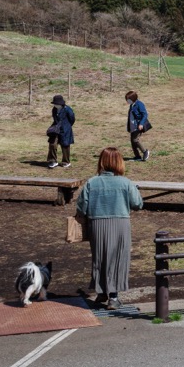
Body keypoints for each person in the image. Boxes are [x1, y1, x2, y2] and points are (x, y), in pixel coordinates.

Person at [76, 147, 143, 310]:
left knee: (99, 258)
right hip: (120, 224)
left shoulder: (92, 182)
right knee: (118, 258)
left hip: (97, 224)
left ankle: (102, 291)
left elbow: (81, 207)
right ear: (120, 162)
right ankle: (113, 297)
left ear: (102, 162)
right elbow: (137, 204)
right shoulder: (126, 182)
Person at [46, 94, 75, 168]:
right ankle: (52, 160)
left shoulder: (67, 109)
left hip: (65, 130)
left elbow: (72, 119)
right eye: (54, 104)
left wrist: (67, 126)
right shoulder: (54, 109)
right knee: (52, 144)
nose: (55, 105)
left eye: (57, 104)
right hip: (56, 129)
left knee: (65, 145)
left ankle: (66, 161)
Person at [125, 90, 151, 161]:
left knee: (135, 139)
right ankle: (137, 156)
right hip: (132, 126)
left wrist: (141, 124)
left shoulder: (139, 104)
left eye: (128, 99)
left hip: (138, 126)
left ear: (133, 98)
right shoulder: (132, 105)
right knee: (132, 141)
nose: (127, 101)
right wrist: (129, 127)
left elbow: (145, 114)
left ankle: (145, 151)